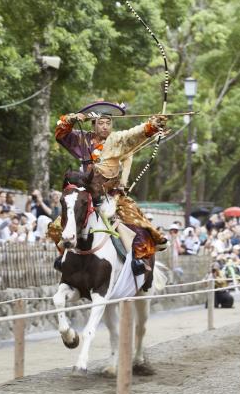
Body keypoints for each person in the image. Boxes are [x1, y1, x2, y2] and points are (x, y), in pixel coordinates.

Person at [52, 102, 168, 276]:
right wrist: (71, 119)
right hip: (85, 194)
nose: (105, 127)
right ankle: (65, 257)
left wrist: (151, 125)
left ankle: (136, 260)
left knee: (135, 222)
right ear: (93, 124)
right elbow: (61, 134)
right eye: (101, 123)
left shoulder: (117, 139)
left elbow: (134, 134)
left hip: (110, 196)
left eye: (108, 123)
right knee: (58, 225)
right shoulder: (82, 138)